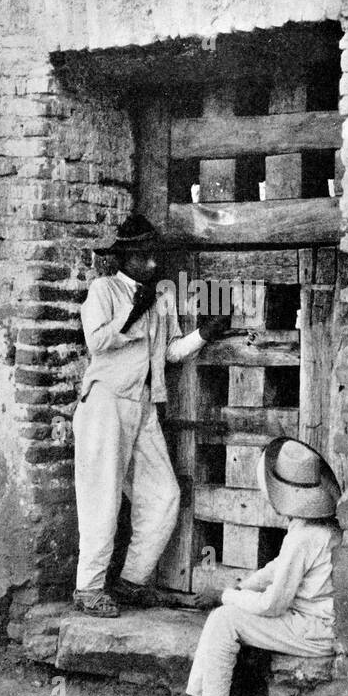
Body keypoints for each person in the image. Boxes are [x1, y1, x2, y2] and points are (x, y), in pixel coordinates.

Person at [72, 214, 229, 617]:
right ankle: (88, 589)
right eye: (143, 256)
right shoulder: (103, 290)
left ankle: (130, 582)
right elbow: (97, 341)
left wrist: (206, 333)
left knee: (164, 495)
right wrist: (133, 313)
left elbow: (171, 353)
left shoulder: (160, 298)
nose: (153, 264)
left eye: (154, 256)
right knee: (102, 498)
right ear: (123, 257)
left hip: (142, 405)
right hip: (105, 402)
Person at [148, 437, 342, 696]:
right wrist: (244, 587)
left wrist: (225, 596)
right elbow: (277, 568)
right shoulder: (314, 527)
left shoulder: (304, 538)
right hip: (311, 623)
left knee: (225, 619)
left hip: (315, 630)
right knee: (225, 614)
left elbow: (272, 605)